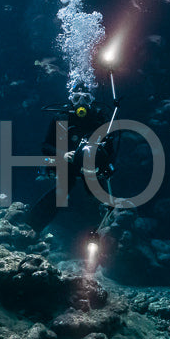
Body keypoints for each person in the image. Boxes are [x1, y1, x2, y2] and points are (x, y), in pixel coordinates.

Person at [26, 83, 119, 233]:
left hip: (91, 167)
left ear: (92, 100)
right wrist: (62, 155)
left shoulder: (100, 118)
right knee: (61, 192)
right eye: (76, 98)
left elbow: (110, 149)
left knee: (96, 195)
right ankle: (32, 226)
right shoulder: (61, 118)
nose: (81, 103)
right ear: (71, 99)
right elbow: (46, 146)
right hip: (68, 165)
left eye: (86, 99)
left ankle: (104, 231)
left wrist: (105, 163)